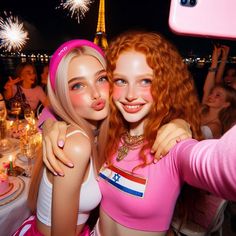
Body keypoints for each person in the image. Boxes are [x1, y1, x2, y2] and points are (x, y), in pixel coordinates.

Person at [43, 31, 236, 236]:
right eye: (121, 81)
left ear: (164, 85)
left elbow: (220, 164)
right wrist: (50, 126)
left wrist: (183, 124)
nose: (130, 95)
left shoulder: (171, 147)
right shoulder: (111, 134)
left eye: (145, 81)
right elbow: (56, 107)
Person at [13, 40, 110, 236]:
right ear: (62, 95)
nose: (96, 93)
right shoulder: (76, 145)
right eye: (78, 85)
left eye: (101, 79)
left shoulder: (96, 135)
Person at [201, 46, 236, 138]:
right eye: (227, 75)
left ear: (227, 103)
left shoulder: (215, 126)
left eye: (233, 76)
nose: (211, 96)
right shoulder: (204, 109)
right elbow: (210, 88)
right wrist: (217, 61)